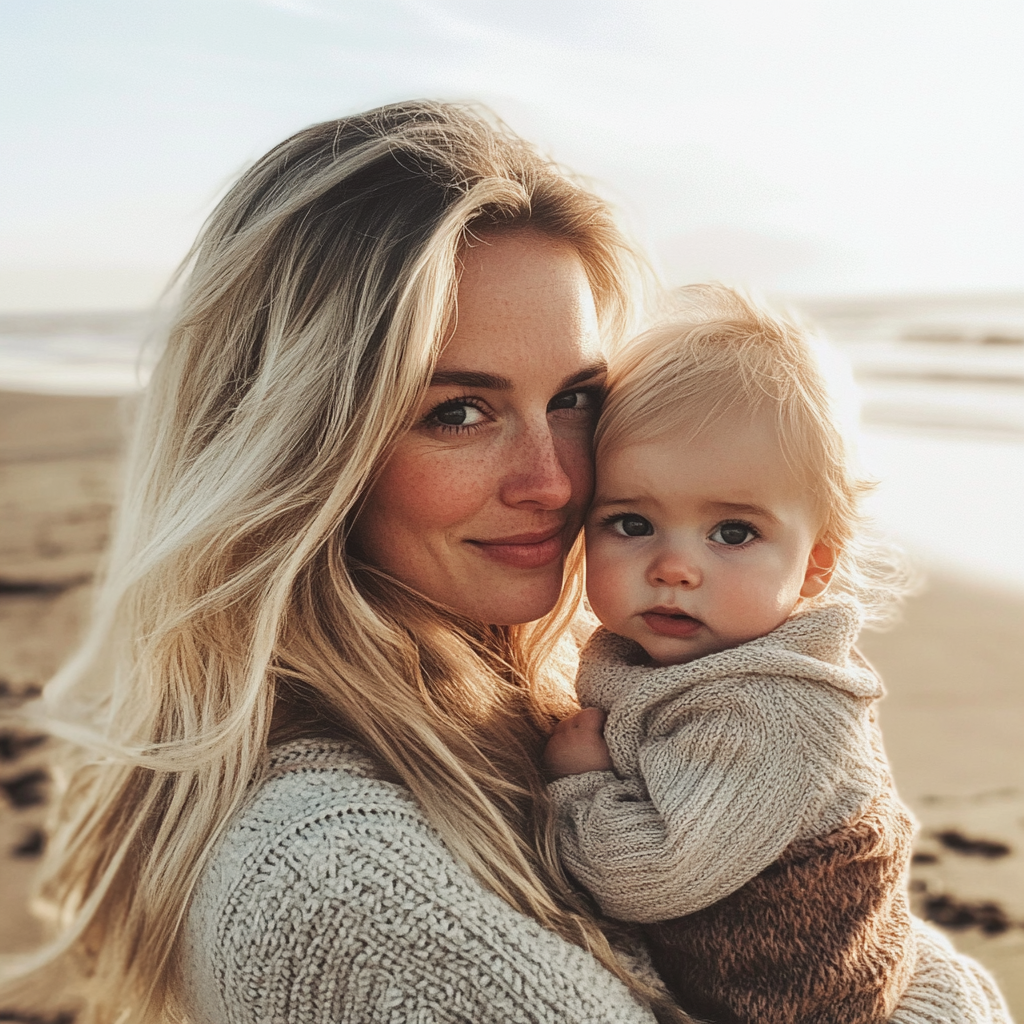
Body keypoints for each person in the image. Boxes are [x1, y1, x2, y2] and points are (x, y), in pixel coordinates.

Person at [3, 103, 686, 1023]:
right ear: (299, 445)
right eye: (457, 412)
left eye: (573, 397)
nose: (556, 480)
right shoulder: (349, 889)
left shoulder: (504, 731)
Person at [542, 285, 1012, 1024]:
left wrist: (582, 787)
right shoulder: (676, 656)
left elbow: (650, 876)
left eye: (731, 533)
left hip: (797, 1005)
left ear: (814, 566)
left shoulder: (773, 710)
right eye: (631, 522)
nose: (673, 566)